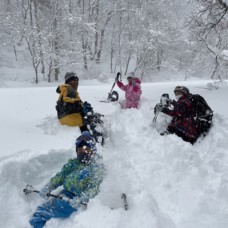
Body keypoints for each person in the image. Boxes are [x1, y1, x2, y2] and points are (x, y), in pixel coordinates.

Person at [29, 131, 104, 228]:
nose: (83, 153)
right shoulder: (74, 164)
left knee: (48, 212)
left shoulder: (95, 168)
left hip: (77, 199)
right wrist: (49, 186)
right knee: (42, 208)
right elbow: (61, 176)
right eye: (80, 151)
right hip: (65, 194)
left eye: (86, 150)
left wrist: (81, 199)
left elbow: (94, 188)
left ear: (92, 151)